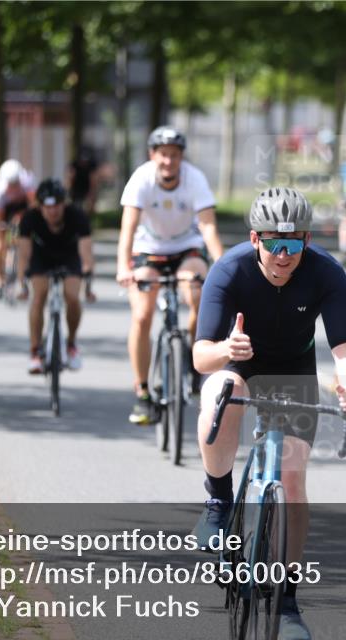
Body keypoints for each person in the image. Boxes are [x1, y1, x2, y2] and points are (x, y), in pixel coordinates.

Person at [191, 187, 346, 640]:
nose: (283, 256)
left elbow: (345, 345)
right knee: (220, 392)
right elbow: (200, 356)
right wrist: (226, 349)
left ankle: (286, 600)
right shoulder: (229, 270)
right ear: (255, 239)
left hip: (293, 371)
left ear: (307, 240)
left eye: (293, 244)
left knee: (292, 478)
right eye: (273, 243)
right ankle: (218, 502)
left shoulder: (326, 272)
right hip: (240, 362)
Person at [116, 126, 224, 424]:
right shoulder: (141, 179)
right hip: (148, 250)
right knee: (142, 315)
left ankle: (192, 354)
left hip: (185, 248)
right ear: (153, 155)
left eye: (174, 155)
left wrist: (222, 265)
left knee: (198, 293)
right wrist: (123, 267)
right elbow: (128, 228)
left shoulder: (195, 179)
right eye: (163, 155)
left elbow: (208, 227)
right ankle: (142, 392)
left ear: (181, 157)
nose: (168, 161)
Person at [16, 179, 95, 374]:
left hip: (69, 256)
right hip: (41, 257)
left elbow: (86, 252)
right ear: (40, 206)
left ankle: (71, 344)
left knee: (72, 297)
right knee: (39, 295)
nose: (53, 211)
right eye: (48, 207)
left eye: (57, 206)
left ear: (64, 204)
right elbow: (24, 254)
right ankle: (35, 351)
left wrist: (88, 280)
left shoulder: (77, 215)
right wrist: (22, 283)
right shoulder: (29, 218)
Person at [0, 159, 36, 300]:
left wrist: (26, 221)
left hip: (23, 208)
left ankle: (22, 277)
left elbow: (34, 208)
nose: (13, 187)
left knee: (24, 241)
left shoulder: (28, 183)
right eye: (10, 184)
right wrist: (1, 226)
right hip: (6, 210)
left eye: (16, 183)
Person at [66, 145, 101, 215]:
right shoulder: (74, 165)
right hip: (76, 191)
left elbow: (93, 181)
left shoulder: (91, 165)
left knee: (87, 211)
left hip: (87, 191)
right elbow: (70, 179)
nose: (84, 162)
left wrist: (92, 195)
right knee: (75, 209)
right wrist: (68, 192)